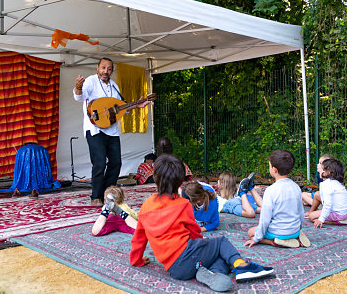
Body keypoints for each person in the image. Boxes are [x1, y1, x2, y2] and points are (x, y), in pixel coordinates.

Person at [129, 154, 274, 292]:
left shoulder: (146, 206)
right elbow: (194, 232)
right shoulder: (182, 204)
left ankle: (215, 273)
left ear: (155, 178)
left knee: (217, 254)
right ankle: (241, 266)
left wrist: (136, 260)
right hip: (189, 257)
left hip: (174, 270)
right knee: (221, 243)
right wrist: (202, 247)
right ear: (180, 182)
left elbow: (139, 238)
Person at [73, 57, 151, 206]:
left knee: (116, 162)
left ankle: (108, 194)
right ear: (97, 67)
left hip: (112, 131)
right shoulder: (90, 81)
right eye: (103, 68)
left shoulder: (114, 86)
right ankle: (95, 197)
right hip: (94, 129)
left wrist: (136, 106)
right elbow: (80, 97)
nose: (105, 71)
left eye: (109, 69)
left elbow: (120, 108)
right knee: (100, 163)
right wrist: (77, 87)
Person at [244, 149, 310, 249]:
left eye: (269, 166)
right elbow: (301, 212)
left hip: (278, 232)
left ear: (274, 170)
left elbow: (265, 219)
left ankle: (274, 242)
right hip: (295, 231)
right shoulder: (296, 187)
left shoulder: (271, 190)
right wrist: (298, 229)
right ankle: (295, 238)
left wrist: (256, 238)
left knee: (251, 232)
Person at [307, 158, 347, 227]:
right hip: (343, 212)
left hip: (338, 214)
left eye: (321, 168)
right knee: (317, 195)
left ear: (328, 172)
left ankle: (337, 222)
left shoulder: (327, 185)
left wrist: (321, 219)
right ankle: (313, 212)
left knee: (311, 216)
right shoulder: (334, 182)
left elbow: (328, 204)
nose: (319, 170)